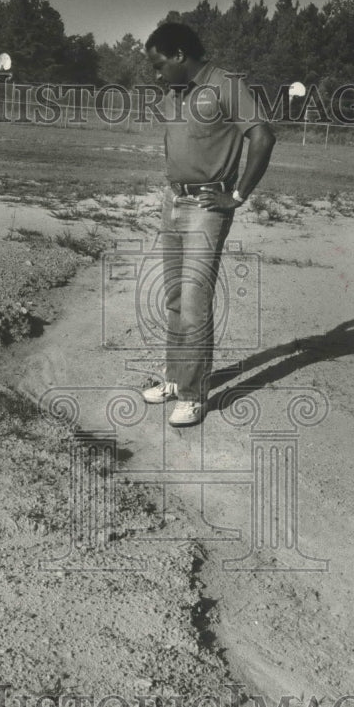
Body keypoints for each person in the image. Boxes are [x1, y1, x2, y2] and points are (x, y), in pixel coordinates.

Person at [142, 22, 276, 427]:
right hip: (173, 200)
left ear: (181, 55)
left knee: (195, 303)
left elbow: (263, 137)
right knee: (175, 300)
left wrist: (236, 197)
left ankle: (193, 393)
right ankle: (174, 377)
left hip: (207, 204)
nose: (156, 72)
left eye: (160, 63)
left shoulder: (225, 85)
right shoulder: (175, 91)